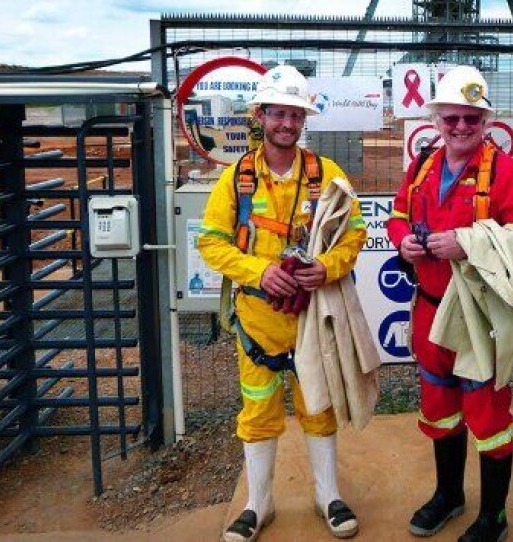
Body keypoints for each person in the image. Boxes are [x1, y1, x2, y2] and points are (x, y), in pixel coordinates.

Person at [198, 65, 367, 542]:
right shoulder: (236, 180)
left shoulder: (326, 175)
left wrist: (328, 267)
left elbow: (354, 233)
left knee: (319, 405)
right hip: (258, 322)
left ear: (303, 120)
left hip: (312, 319)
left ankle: (327, 495)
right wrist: (260, 271)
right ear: (260, 116)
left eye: (296, 115)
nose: (287, 124)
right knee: (258, 411)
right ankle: (259, 504)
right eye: (279, 114)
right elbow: (211, 242)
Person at [388, 66, 513, 542]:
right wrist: (403, 245)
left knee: (488, 416)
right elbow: (397, 216)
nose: (460, 128)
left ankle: (493, 516)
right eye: (451, 118)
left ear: (485, 121)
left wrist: (470, 244)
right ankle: (449, 496)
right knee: (438, 408)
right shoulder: (422, 168)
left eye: (471, 120)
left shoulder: (508, 174)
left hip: (481, 316)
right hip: (431, 310)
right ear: (436, 119)